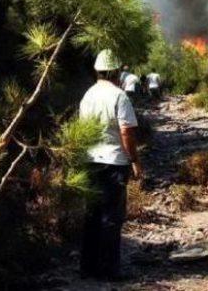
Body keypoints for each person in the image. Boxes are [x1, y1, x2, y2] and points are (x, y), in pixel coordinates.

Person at [79, 49, 142, 281]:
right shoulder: (119, 96)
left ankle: (87, 268)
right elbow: (126, 131)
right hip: (114, 162)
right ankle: (108, 271)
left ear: (97, 71)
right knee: (111, 217)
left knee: (91, 215)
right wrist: (135, 160)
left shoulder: (87, 95)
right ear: (115, 71)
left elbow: (82, 131)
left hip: (90, 160)